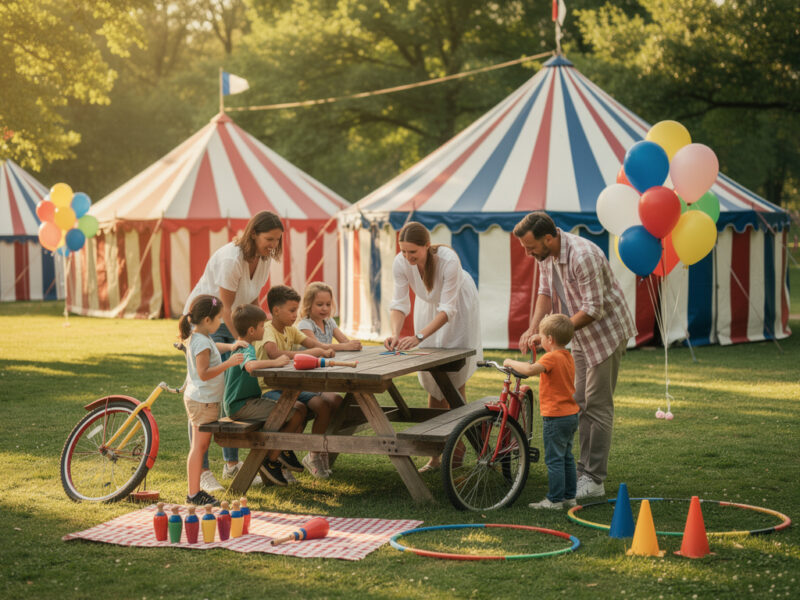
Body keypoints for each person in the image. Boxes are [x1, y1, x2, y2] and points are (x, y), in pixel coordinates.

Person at [513, 211, 636, 500]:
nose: (529, 254)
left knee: (598, 405)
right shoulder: (547, 257)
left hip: (605, 333)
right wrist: (532, 328)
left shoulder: (583, 256)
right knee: (577, 402)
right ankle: (580, 471)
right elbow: (545, 293)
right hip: (576, 334)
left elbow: (594, 309)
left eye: (531, 247)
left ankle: (594, 479)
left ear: (548, 237)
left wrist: (551, 335)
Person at [182, 210, 284, 492]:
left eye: (277, 240)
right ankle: (202, 470)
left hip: (232, 324)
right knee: (205, 398)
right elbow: (226, 307)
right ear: (253, 233)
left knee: (231, 396)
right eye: (269, 239)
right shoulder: (231, 259)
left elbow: (249, 303)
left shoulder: (262, 260)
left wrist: (255, 331)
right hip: (207, 324)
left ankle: (231, 465)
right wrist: (243, 339)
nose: (273, 245)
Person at [384, 221, 482, 472]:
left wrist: (418, 337)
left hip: (457, 307)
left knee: (452, 376)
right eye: (403, 251)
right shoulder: (400, 262)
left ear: (427, 246)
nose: (407, 257)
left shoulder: (449, 261)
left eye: (412, 252)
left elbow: (448, 309)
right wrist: (395, 334)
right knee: (431, 376)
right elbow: (399, 302)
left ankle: (456, 455)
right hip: (428, 307)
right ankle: (435, 457)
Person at [257, 285, 338, 479]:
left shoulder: (290, 329)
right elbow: (273, 353)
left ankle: (314, 454)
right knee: (299, 410)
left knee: (322, 404)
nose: (296, 315)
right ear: (276, 311)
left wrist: (324, 349)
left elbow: (312, 343)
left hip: (290, 387)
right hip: (269, 388)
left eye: (296, 310)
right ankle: (273, 458)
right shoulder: (268, 329)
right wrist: (312, 353)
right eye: (292, 310)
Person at [223, 304, 309, 487]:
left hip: (248, 402)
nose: (265, 328)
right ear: (252, 330)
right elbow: (251, 366)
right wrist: (276, 363)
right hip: (241, 406)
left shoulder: (246, 346)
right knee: (295, 413)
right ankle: (271, 458)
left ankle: (278, 453)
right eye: (263, 326)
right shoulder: (246, 348)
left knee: (297, 410)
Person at [504, 314, 578, 510]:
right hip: (571, 415)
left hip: (555, 417)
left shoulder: (551, 358)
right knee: (567, 457)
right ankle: (570, 496)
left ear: (550, 340)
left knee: (554, 459)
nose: (541, 339)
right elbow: (548, 345)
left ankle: (554, 500)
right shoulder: (567, 356)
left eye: (543, 337)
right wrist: (541, 336)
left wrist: (509, 361)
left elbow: (529, 370)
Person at [179, 295, 246, 506]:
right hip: (202, 402)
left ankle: (194, 491)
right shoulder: (201, 342)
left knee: (201, 446)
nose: (222, 322)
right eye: (219, 318)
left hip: (202, 400)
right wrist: (230, 364)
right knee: (199, 447)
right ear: (207, 320)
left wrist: (230, 347)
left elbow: (214, 346)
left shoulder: (200, 336)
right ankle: (193, 494)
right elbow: (204, 373)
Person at [297, 281, 362, 352]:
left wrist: (354, 345)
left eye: (328, 304)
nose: (325, 308)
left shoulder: (329, 321)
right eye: (319, 304)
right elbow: (317, 347)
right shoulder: (305, 324)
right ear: (308, 304)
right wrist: (345, 346)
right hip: (309, 362)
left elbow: (344, 340)